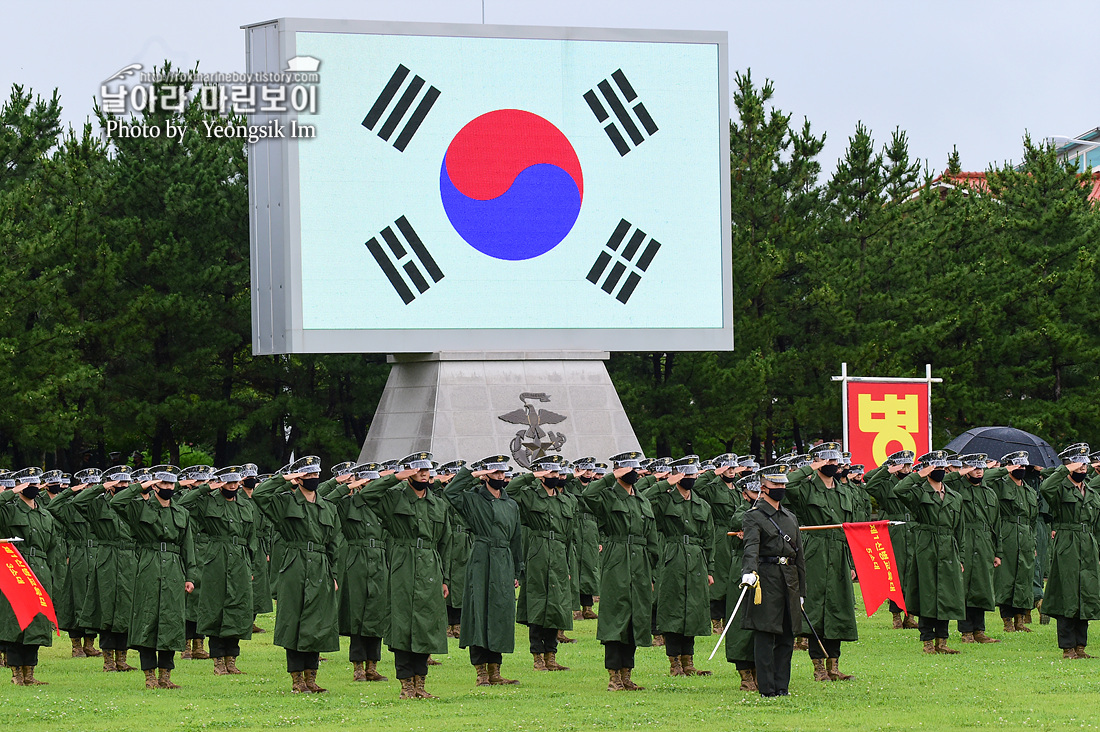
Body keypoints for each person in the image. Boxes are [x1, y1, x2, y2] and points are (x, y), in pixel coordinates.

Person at [359, 452, 451, 699]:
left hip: (431, 568)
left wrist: (445, 579)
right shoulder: (394, 499)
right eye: (418, 470)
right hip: (403, 565)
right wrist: (395, 477)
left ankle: (420, 684)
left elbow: (445, 543)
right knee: (403, 625)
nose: (423, 473)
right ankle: (406, 686)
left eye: (427, 470)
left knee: (426, 626)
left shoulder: (438, 504)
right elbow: (367, 494)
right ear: (409, 473)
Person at [253, 456, 342, 692]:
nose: (313, 478)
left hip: (321, 566)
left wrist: (333, 574)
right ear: (298, 477)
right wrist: (284, 480)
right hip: (295, 564)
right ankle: (297, 680)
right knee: (294, 620)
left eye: (315, 474)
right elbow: (260, 495)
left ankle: (311, 678)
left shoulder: (328, 507)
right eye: (308, 474)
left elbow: (334, 544)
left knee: (318, 621)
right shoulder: (285, 503)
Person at [109, 465, 198, 689]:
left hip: (174, 569)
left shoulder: (181, 512)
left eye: (171, 484)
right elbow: (116, 503)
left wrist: (190, 576)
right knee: (147, 620)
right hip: (149, 565)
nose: (168, 488)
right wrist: (140, 487)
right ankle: (149, 676)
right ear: (155, 485)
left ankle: (165, 677)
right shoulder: (140, 508)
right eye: (163, 483)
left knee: (170, 621)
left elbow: (188, 546)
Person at [441, 455, 524, 686]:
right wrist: (471, 474)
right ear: (486, 475)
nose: (500, 477)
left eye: (502, 472)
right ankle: (480, 672)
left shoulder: (511, 504)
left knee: (500, 613)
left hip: (504, 561)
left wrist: (518, 570)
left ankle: (495, 671)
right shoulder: (473, 499)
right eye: (495, 473)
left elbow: (517, 538)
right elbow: (450, 493)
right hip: (481, 558)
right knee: (479, 612)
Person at [581, 451, 660, 692]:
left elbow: (652, 538)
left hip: (641, 562)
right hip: (617, 558)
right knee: (616, 617)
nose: (635, 473)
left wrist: (653, 572)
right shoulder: (607, 495)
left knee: (636, 617)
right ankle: (614, 676)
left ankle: (627, 674)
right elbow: (587, 495)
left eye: (636, 468)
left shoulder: (642, 500)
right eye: (629, 469)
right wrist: (609, 477)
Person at [784, 441, 859, 680]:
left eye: (835, 460)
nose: (833, 464)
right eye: (827, 460)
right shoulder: (806, 488)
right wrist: (809, 467)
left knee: (838, 607)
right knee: (815, 609)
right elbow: (788, 484)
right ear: (817, 463)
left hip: (839, 552)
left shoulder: (845, 491)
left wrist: (852, 563)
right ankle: (818, 667)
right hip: (813, 551)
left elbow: (852, 528)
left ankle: (834, 666)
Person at [176, 465, 258, 675]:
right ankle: (218, 661)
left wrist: (250, 564)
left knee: (238, 608)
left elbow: (251, 537)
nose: (231, 486)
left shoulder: (245, 505)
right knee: (215, 609)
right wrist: (207, 488)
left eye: (234, 482)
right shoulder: (207, 501)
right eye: (227, 483)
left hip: (240, 559)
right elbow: (183, 504)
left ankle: (232, 659)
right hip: (215, 559)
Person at [642, 455, 715, 677]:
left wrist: (710, 569)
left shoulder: (701, 504)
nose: (691, 478)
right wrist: (667, 482)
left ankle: (689, 662)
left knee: (692, 609)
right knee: (673, 608)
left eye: (693, 474)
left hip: (696, 559)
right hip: (672, 556)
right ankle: (674, 663)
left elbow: (709, 538)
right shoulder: (664, 500)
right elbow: (644, 498)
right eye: (686, 474)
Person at [506, 455, 577, 673]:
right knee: (537, 605)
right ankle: (537, 656)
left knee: (556, 605)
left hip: (559, 554)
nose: (555, 476)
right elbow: (509, 492)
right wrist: (531, 476)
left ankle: (551, 656)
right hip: (537, 552)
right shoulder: (529, 495)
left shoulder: (568, 501)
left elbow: (569, 537)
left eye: (557, 472)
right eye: (550, 473)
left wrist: (568, 566)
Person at [741, 463, 806, 698]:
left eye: (782, 484)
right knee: (765, 635)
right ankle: (767, 688)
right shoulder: (753, 516)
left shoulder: (790, 517)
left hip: (789, 579)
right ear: (763, 487)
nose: (780, 488)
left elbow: (799, 556)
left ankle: (782, 686)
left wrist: (802, 591)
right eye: (775, 484)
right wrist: (748, 571)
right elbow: (751, 548)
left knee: (787, 636)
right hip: (765, 579)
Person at [894, 451, 965, 654]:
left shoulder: (955, 496)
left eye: (943, 467)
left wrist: (961, 557)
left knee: (947, 594)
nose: (940, 471)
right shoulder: (919, 492)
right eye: (936, 467)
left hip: (948, 547)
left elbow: (960, 529)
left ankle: (942, 641)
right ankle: (927, 641)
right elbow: (899, 489)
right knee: (928, 593)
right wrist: (920, 474)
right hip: (927, 546)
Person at [70, 465, 138, 672]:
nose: (123, 486)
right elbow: (77, 502)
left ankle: (122, 659)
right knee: (107, 610)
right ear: (109, 485)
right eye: (119, 483)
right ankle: (108, 660)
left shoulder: (134, 504)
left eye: (127, 483)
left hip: (129, 558)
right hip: (107, 558)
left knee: (127, 609)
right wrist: (100, 488)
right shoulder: (97, 505)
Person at [327, 463, 390, 682]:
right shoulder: (347, 504)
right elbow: (326, 501)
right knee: (357, 613)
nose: (371, 486)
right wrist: (345, 486)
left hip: (380, 559)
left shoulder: (383, 503)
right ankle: (358, 667)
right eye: (367, 482)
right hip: (356, 559)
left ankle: (373, 665)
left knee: (376, 612)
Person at [0, 468, 61, 685]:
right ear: (19, 486)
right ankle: (16, 673)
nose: (32, 487)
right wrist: (10, 492)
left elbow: (53, 547)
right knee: (17, 620)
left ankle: (30, 673)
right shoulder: (8, 510)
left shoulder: (44, 514)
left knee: (37, 621)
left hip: (40, 569)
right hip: (17, 568)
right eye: (28, 484)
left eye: (36, 483)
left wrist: (53, 575)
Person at [1039, 443, 1100, 659]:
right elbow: (1045, 488)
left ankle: (1081, 646)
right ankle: (1067, 647)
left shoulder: (1091, 492)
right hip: (1067, 542)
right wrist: (1064, 469)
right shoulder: (1059, 488)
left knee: (1086, 593)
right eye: (1078, 463)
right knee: (1067, 594)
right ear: (1069, 465)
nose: (1083, 467)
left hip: (1088, 544)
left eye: (1085, 464)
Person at [42, 468, 103, 660]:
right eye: (88, 485)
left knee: (94, 599)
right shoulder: (70, 506)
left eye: (95, 485)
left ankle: (90, 644)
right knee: (76, 599)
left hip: (98, 553)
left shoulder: (102, 505)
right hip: (78, 554)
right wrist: (71, 491)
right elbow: (53, 507)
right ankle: (76, 645)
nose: (92, 489)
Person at [947, 453, 1002, 643]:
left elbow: (997, 525)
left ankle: (979, 630)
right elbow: (945, 480)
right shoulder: (956, 488)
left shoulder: (990, 493)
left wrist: (998, 552)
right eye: (973, 468)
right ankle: (966, 631)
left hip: (986, 542)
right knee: (965, 587)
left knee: (982, 587)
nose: (977, 471)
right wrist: (961, 473)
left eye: (980, 468)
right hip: (965, 539)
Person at [985, 451, 1039, 636]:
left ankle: (1020, 619)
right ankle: (1007, 621)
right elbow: (986, 477)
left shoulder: (1030, 491)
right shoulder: (999, 485)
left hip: (1025, 536)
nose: (1021, 469)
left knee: (1023, 577)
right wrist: (1004, 469)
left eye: (1023, 466)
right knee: (1005, 578)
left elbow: (1033, 520)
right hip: (1006, 533)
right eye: (1017, 465)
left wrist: (1033, 544)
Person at [863, 450, 918, 629]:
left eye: (909, 465)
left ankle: (910, 615)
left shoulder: (913, 483)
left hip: (912, 529)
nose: (908, 469)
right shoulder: (886, 483)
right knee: (895, 573)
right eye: (904, 465)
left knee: (911, 573)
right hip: (894, 531)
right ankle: (896, 614)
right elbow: (869, 483)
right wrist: (887, 468)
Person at [725, 475, 761, 691]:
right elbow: (739, 521)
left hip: (764, 570)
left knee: (761, 622)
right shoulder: (742, 511)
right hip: (742, 570)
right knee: (741, 622)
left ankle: (759, 670)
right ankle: (745, 674)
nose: (758, 497)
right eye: (754, 493)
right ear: (745, 493)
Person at [435, 460, 472, 640]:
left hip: (464, 540)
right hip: (447, 538)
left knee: (461, 582)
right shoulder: (439, 494)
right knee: (447, 578)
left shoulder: (466, 495)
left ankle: (457, 623)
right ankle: (447, 623)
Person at [237, 463, 274, 633]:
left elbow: (266, 527)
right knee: (243, 581)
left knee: (258, 584)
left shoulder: (257, 499)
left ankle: (251, 620)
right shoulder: (238, 498)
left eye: (253, 478)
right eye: (248, 478)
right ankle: (241, 619)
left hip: (259, 545)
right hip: (243, 543)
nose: (251, 481)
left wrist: (266, 550)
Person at [564, 457, 601, 622]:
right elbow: (562, 482)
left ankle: (588, 607)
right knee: (574, 568)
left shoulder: (595, 487)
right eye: (584, 469)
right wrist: (573, 475)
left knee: (589, 568)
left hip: (591, 528)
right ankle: (575, 609)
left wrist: (600, 538)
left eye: (590, 470)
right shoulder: (571, 485)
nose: (588, 473)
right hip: (575, 526)